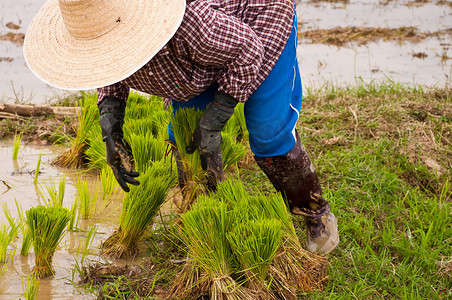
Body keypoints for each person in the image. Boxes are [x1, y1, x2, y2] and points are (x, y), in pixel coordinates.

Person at [24, 0, 338, 254]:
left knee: (268, 132)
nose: (104, 53)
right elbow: (108, 68)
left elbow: (248, 51)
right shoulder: (102, 28)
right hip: (194, 65)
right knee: (187, 138)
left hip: (257, 26)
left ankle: (315, 214)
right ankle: (210, 219)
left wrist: (217, 117)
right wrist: (112, 128)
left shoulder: (188, 23)